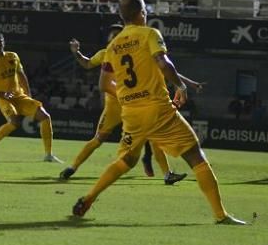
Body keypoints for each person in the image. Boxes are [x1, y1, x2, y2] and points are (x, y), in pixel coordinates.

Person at [70, 0, 247, 225]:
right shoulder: (150, 34)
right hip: (157, 108)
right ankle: (221, 215)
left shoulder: (113, 46)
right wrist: (181, 86)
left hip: (131, 112)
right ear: (141, 12)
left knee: (126, 161)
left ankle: (89, 197)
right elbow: (163, 63)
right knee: (195, 155)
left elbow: (104, 83)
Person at [60, 26, 194, 185]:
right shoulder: (107, 53)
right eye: (113, 36)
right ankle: (73, 167)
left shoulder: (133, 53)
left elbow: (159, 67)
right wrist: (76, 52)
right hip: (117, 106)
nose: (116, 39)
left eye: (117, 35)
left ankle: (167, 174)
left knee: (153, 137)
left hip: (133, 104)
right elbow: (88, 64)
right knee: (99, 138)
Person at [0, 33, 61, 162]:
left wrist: (28, 94)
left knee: (45, 117)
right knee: (14, 122)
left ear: (4, 43)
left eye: (0, 41)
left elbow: (21, 75)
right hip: (4, 98)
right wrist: (4, 95)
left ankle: (48, 155)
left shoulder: (13, 56)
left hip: (19, 95)